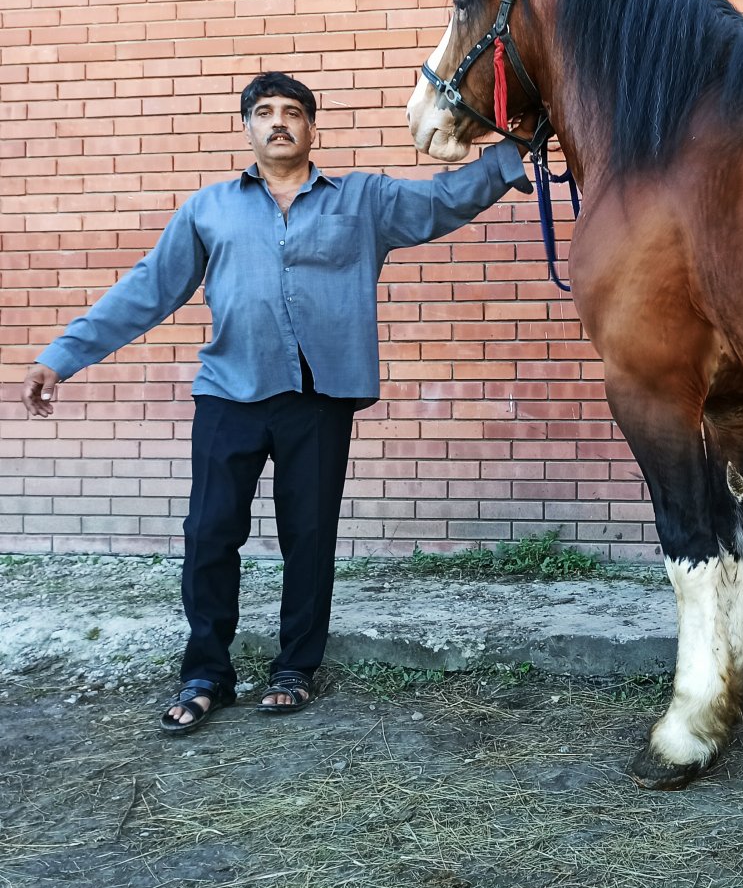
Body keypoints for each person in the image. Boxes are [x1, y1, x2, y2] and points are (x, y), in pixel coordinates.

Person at [20, 72, 531, 735]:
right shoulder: (209, 208)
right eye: (264, 112)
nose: (279, 121)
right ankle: (206, 674)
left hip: (318, 398)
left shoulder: (363, 200)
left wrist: (512, 151)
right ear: (247, 128)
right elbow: (149, 289)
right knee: (209, 534)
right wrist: (62, 356)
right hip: (229, 393)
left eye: (293, 111)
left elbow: (443, 200)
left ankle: (295, 669)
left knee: (309, 538)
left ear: (312, 128)